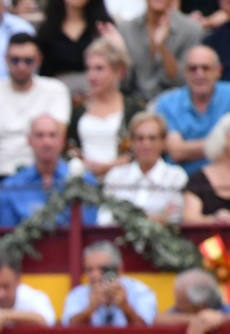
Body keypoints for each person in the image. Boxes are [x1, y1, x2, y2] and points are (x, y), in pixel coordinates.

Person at [0, 33, 70, 179]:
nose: (21, 66)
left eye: (28, 60)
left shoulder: (55, 89)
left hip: (39, 175)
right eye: (15, 60)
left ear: (38, 60)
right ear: (5, 60)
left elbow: (57, 136)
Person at [0, 114, 96, 227]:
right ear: (29, 140)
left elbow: (89, 231)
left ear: (62, 140)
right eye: (39, 135)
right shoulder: (11, 186)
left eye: (52, 135)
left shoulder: (84, 181)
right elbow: (5, 235)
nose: (46, 142)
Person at [98, 111, 186, 225]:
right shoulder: (115, 176)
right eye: (140, 138)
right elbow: (104, 219)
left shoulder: (176, 176)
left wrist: (128, 219)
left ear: (163, 142)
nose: (146, 144)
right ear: (131, 142)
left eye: (152, 138)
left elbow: (175, 218)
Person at [67, 37, 136, 180]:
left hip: (125, 180)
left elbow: (141, 151)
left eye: (99, 68)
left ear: (119, 72)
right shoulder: (77, 108)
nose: (92, 76)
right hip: (83, 181)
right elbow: (68, 148)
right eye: (89, 68)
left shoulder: (133, 108)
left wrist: (109, 167)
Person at [154, 45, 230, 175]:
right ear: (185, 72)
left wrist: (188, 148)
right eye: (192, 68)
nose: (199, 74)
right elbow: (176, 152)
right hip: (180, 181)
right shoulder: (167, 103)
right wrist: (221, 144)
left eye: (206, 68)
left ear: (218, 71)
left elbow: (181, 149)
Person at [115, 0, 201, 105]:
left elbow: (182, 81)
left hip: (176, 105)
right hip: (135, 104)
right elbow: (123, 83)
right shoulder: (126, 29)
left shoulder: (191, 30)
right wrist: (117, 54)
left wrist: (162, 47)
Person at [60, 240, 156, 327]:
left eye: (102, 269)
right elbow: (68, 332)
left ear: (119, 270)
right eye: (89, 270)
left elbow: (145, 332)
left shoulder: (141, 292)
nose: (95, 275)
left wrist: (125, 306)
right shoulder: (77, 294)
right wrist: (89, 309)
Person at [35, 0, 115, 97]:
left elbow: (118, 68)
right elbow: (42, 74)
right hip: (56, 97)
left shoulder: (104, 29)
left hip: (98, 97)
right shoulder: (46, 31)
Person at [157, 268, 228, 334]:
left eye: (182, 301)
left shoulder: (223, 310)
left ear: (201, 304)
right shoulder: (177, 311)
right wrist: (196, 319)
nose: (177, 305)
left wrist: (221, 319)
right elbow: (155, 320)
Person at [183, 113, 230, 225]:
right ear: (223, 139)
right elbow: (189, 219)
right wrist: (215, 219)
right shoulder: (198, 179)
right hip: (209, 240)